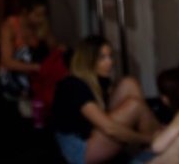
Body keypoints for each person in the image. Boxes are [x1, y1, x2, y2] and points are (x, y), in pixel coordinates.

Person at [51, 35, 160, 164]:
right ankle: (154, 146)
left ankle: (157, 142)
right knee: (134, 106)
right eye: (102, 58)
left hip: (90, 133)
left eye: (110, 56)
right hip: (79, 150)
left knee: (129, 83)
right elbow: (110, 128)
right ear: (88, 61)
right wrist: (146, 139)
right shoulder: (73, 85)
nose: (110, 62)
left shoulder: (98, 80)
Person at [0, 0, 60, 100]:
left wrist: (46, 34)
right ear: (25, 12)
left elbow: (54, 49)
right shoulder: (10, 27)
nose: (40, 19)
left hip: (34, 76)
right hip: (14, 76)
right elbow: (6, 61)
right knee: (25, 52)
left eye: (43, 15)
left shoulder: (40, 26)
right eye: (37, 15)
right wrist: (35, 68)